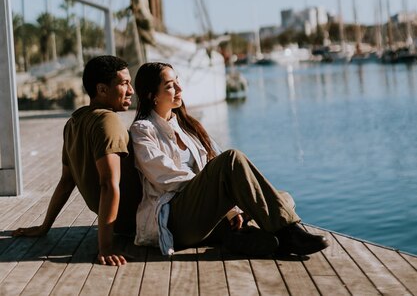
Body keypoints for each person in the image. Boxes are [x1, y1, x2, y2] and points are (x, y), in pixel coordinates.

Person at [130, 61, 329, 257]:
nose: (180, 88)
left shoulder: (186, 126)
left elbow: (218, 165)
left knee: (283, 198)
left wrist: (231, 207)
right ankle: (288, 233)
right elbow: (164, 176)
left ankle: (239, 236)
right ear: (151, 95)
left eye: (178, 81)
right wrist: (221, 201)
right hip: (176, 221)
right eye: (170, 86)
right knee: (233, 160)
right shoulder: (143, 130)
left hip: (205, 219)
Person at [12, 55, 141, 266]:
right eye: (124, 83)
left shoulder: (74, 122)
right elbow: (108, 185)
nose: (131, 90)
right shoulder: (108, 121)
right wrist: (105, 247)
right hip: (139, 219)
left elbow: (66, 181)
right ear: (102, 89)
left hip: (121, 223)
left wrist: (45, 226)